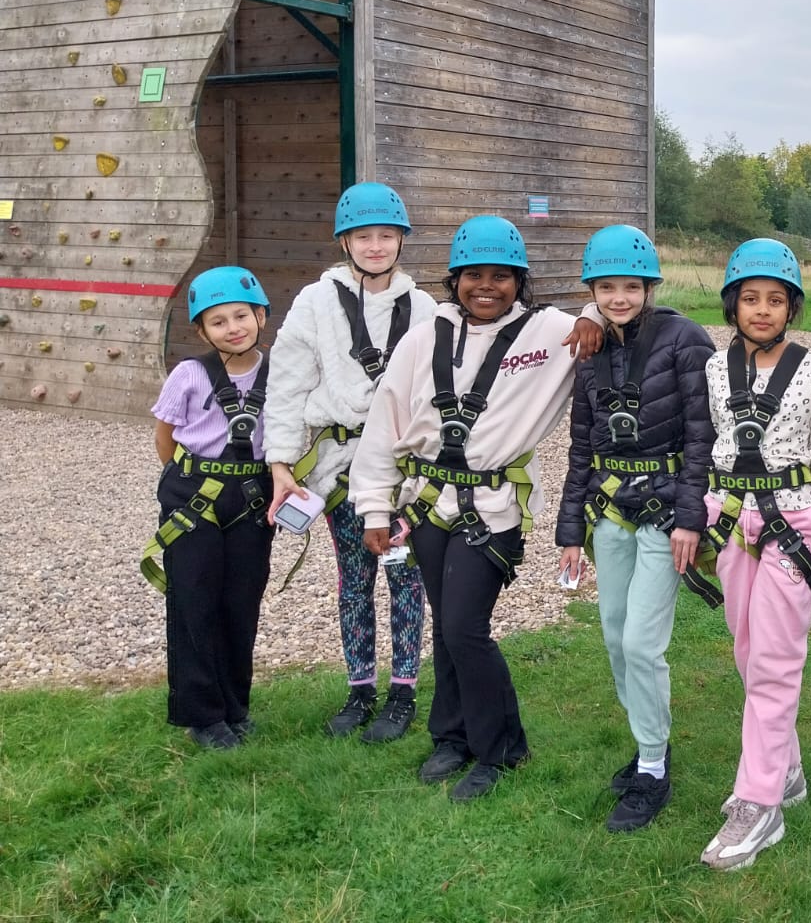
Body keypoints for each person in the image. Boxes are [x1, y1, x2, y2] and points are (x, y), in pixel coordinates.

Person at [348, 215, 601, 801]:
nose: (486, 287)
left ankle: (501, 748)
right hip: (430, 505)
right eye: (473, 276)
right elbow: (385, 424)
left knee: (466, 629)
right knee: (448, 628)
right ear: (455, 279)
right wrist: (374, 509)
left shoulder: (547, 333)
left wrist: (589, 316)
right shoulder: (425, 334)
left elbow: (610, 319)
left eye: (501, 277)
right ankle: (452, 735)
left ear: (521, 282)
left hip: (491, 513)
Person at [697, 238, 811, 872]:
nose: (763, 310)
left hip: (795, 523)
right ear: (734, 305)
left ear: (793, 308)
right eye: (751, 299)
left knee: (776, 662)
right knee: (745, 649)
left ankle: (758, 804)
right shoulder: (715, 369)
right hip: (733, 519)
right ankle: (785, 769)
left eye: (776, 300)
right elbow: (712, 445)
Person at [556, 224, 714, 832]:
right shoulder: (591, 347)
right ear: (592, 289)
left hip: (665, 510)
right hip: (611, 512)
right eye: (606, 288)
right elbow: (580, 445)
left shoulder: (684, 339)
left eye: (630, 287)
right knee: (616, 635)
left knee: (644, 643)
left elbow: (703, 435)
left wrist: (691, 517)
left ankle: (652, 766)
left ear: (649, 286)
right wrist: (572, 528)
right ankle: (652, 740)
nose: (619, 297)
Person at [264, 182, 436, 743]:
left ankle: (403, 690)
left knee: (405, 578)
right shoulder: (316, 303)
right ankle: (360, 688)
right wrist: (282, 461)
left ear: (401, 240)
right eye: (364, 236)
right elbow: (288, 383)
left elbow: (440, 391)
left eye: (387, 236)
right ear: (345, 241)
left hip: (401, 471)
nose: (376, 246)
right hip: (338, 465)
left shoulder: (426, 308)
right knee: (354, 579)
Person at [145, 266, 276, 750]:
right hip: (194, 496)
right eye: (217, 322)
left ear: (261, 316)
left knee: (240, 603)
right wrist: (188, 483)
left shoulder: (278, 372)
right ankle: (202, 715)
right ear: (200, 331)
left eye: (241, 315)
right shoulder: (190, 374)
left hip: (252, 500)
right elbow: (166, 435)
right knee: (194, 601)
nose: (232, 327)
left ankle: (234, 706)